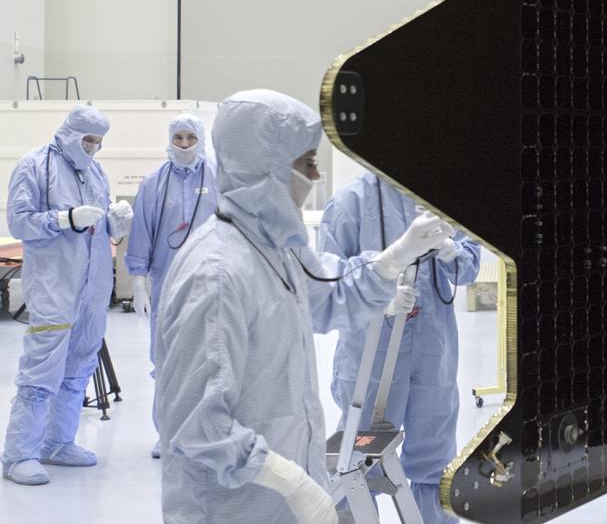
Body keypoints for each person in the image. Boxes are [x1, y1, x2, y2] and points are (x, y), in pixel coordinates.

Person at [154, 89, 455, 523]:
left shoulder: (277, 248)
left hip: (282, 493)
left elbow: (330, 296)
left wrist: (393, 260)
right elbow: (196, 423)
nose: (317, 175)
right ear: (268, 169)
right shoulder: (216, 275)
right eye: (307, 162)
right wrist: (289, 481)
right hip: (233, 506)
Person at [322, 171, 481, 523]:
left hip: (433, 354)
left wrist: (451, 251)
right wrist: (377, 299)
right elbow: (328, 286)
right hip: (370, 357)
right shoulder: (351, 203)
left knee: (435, 460)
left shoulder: (446, 200)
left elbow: (470, 263)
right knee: (357, 466)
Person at [2, 105, 133, 486]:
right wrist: (64, 219)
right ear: (69, 133)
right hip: (55, 286)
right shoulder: (34, 166)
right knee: (42, 370)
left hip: (91, 291)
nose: (92, 148)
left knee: (79, 367)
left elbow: (99, 230)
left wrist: (115, 224)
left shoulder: (95, 171)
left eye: (98, 142)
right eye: (87, 140)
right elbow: (19, 222)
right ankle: (19, 454)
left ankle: (58, 442)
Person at [124, 113, 219, 458]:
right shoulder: (153, 184)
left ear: (200, 140)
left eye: (189, 138)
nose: (183, 145)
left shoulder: (219, 178)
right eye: (178, 138)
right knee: (165, 360)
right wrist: (138, 282)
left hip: (212, 283)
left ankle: (206, 432)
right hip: (167, 284)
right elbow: (142, 232)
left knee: (211, 358)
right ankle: (167, 433)